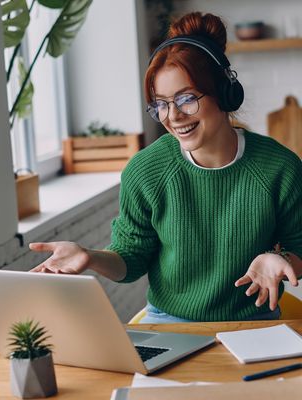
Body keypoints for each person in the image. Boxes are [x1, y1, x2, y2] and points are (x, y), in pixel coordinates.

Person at [29, 12, 302, 323]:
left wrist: (278, 258)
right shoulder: (146, 170)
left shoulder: (279, 167)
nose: (173, 116)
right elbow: (130, 259)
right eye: (160, 104)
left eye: (186, 99)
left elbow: (299, 246)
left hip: (252, 322)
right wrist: (90, 257)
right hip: (169, 322)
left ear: (225, 93)